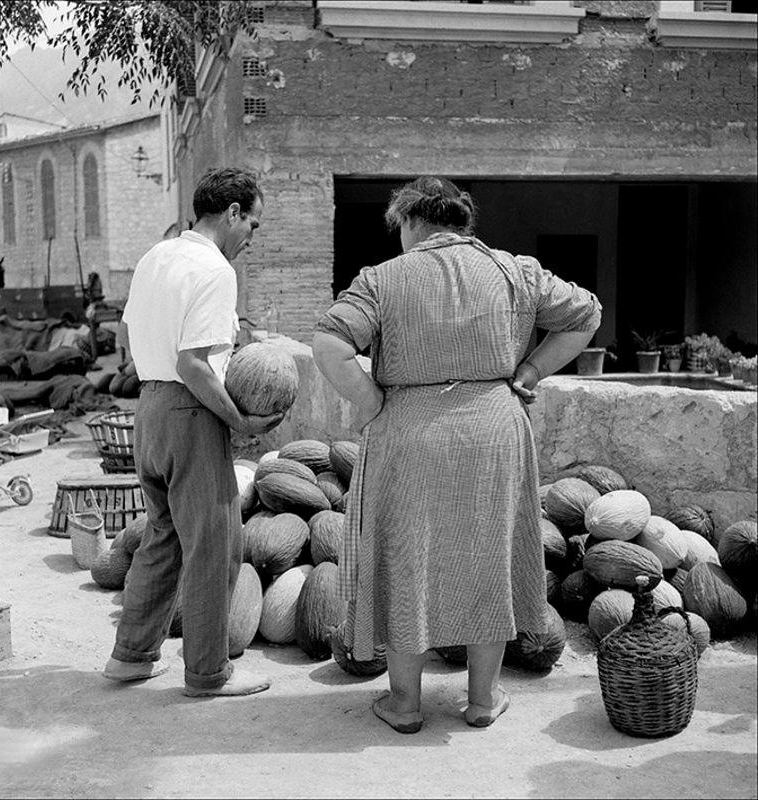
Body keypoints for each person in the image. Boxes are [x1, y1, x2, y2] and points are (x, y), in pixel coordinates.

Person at [312, 176, 601, 733]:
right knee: (489, 554)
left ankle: (405, 705)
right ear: (461, 222)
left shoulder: (383, 279)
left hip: (409, 434)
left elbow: (330, 344)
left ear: (411, 222)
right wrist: (531, 369)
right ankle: (484, 700)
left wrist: (374, 402)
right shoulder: (516, 271)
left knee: (406, 558)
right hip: (495, 428)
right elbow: (586, 314)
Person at [103, 167, 284, 697]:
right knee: (215, 545)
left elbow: (132, 334)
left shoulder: (155, 257)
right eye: (252, 222)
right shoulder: (215, 269)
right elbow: (195, 364)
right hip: (189, 412)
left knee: (163, 537)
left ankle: (130, 658)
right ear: (231, 214)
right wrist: (241, 420)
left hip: (150, 409)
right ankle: (208, 673)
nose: (251, 237)